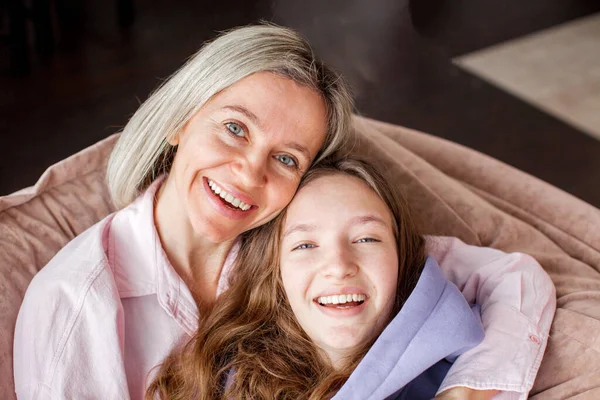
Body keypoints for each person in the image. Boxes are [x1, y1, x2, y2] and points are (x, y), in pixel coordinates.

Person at [13, 24, 554, 400]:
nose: (250, 173)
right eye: (234, 128)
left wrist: (469, 389)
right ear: (179, 120)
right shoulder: (75, 304)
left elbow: (511, 277)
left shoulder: (302, 231)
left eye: (286, 157)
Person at [146, 157, 555, 400]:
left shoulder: (450, 359)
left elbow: (515, 275)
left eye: (366, 238)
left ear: (402, 257)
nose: (339, 265)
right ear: (276, 277)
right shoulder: (225, 377)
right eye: (305, 246)